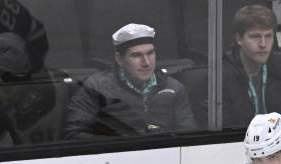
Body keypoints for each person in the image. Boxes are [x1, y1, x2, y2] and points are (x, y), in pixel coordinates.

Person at [64, 23, 198, 139]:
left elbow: (189, 135)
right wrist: (121, 143)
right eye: (136, 55)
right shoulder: (96, 87)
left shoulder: (174, 88)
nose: (146, 62)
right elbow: (72, 134)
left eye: (150, 53)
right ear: (119, 59)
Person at [221, 4, 281, 127]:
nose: (263, 44)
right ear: (239, 39)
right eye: (255, 36)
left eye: (268, 36)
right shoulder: (223, 75)